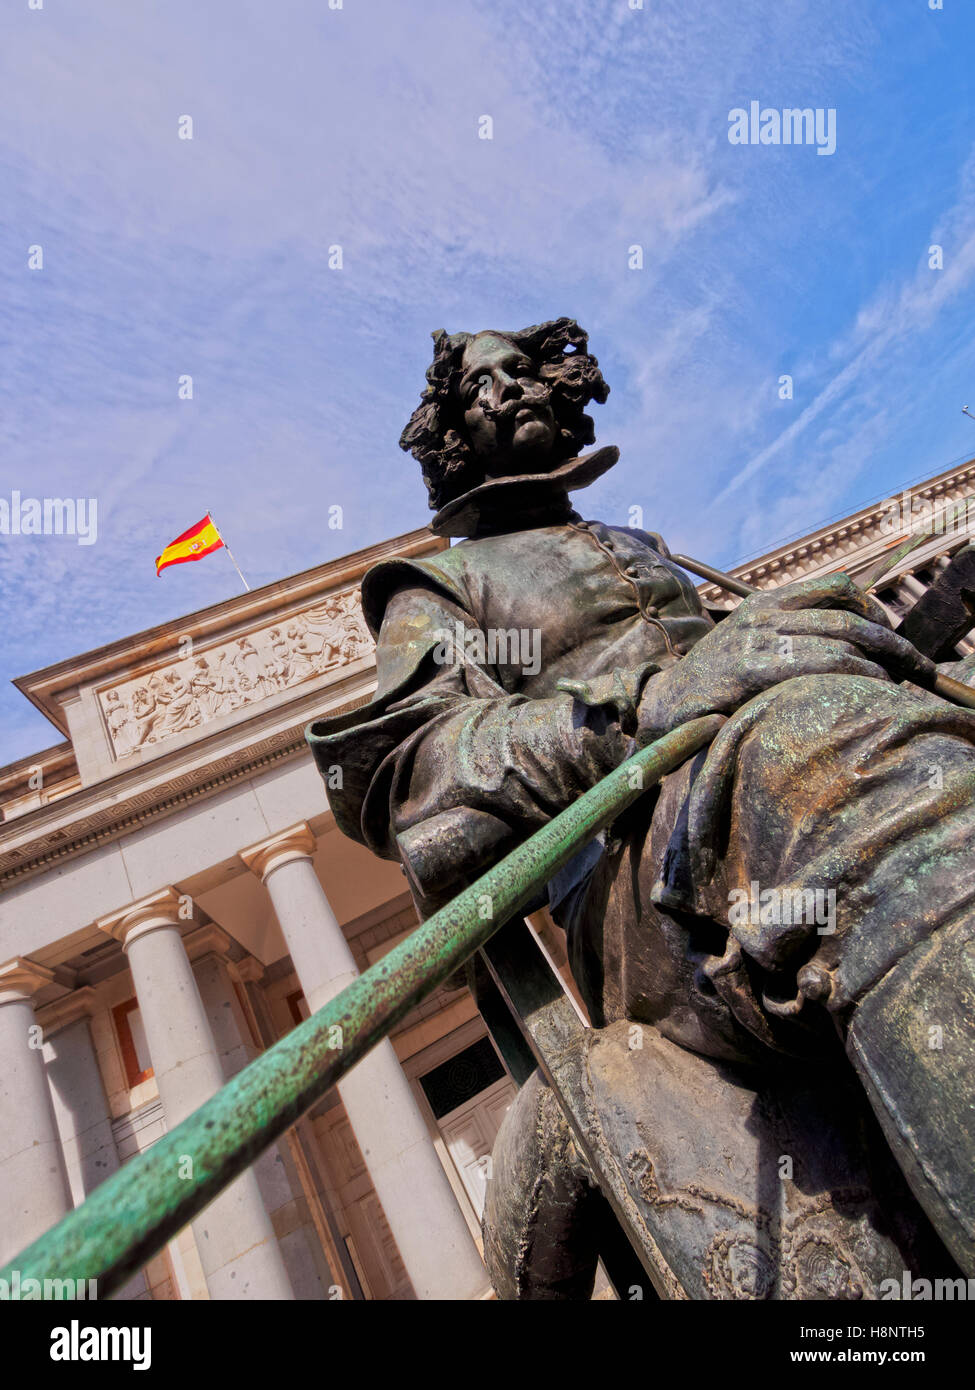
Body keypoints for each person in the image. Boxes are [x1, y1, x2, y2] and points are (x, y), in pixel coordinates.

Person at [307, 318, 975, 1286]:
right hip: (642, 883)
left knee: (871, 729)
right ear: (453, 435)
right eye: (483, 387)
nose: (510, 393)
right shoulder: (432, 587)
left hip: (762, 789)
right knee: (827, 752)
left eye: (524, 374)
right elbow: (422, 776)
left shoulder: (638, 545)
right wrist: (640, 706)